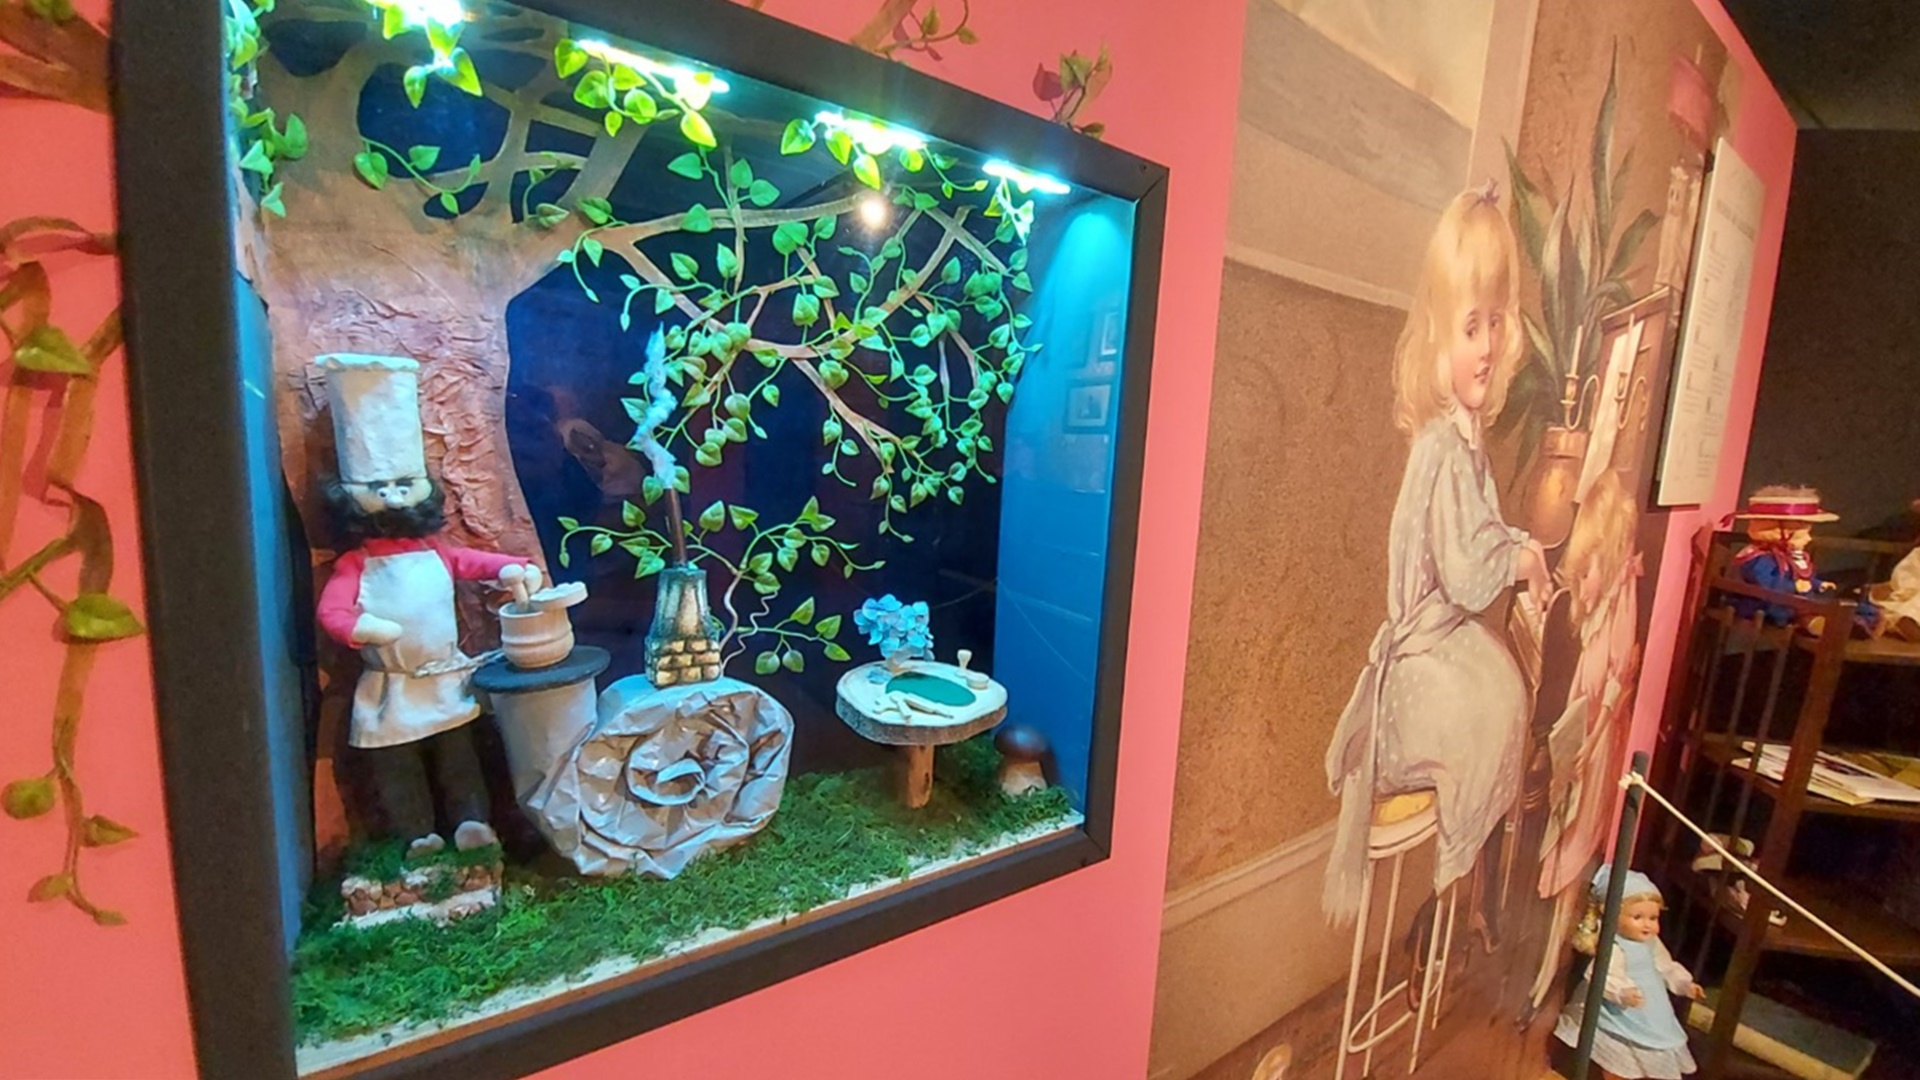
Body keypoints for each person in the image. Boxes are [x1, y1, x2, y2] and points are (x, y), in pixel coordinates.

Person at [1323, 183, 1550, 963]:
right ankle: (1454, 873)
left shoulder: (1464, 441)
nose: (1486, 345)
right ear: (1438, 337)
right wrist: (1517, 557)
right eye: (1469, 327)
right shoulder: (1441, 448)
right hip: (1418, 661)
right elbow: (1465, 566)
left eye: (1495, 324)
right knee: (1493, 702)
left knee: (1504, 690)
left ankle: (1458, 893)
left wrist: (1518, 547)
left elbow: (1481, 533)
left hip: (1441, 641)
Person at [1524, 469, 1644, 1023]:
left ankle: (1549, 967)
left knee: (1572, 854)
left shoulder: (1621, 601)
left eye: (1588, 570)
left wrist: (1587, 749)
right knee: (1558, 849)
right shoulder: (1590, 613)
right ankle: (1542, 964)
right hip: (1578, 743)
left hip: (1593, 752)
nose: (1583, 583)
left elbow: (1616, 686)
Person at [1557, 866, 1704, 1079]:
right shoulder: (1615, 946)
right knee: (1620, 1053)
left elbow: (1665, 965)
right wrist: (1621, 993)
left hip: (1651, 1007)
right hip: (1620, 1010)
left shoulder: (1651, 943)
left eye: (1653, 918)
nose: (1647, 925)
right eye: (1638, 917)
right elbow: (1600, 975)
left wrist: (1684, 984)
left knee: (1653, 1045)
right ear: (1610, 912)